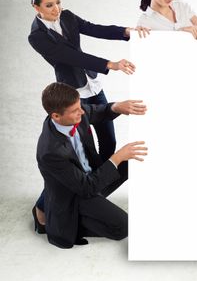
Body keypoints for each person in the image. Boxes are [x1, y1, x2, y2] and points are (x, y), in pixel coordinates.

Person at [28, 0, 150, 222]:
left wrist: (125, 32)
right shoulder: (37, 37)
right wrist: (109, 64)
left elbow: (95, 29)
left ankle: (92, 190)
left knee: (109, 144)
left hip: (93, 86)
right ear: (36, 7)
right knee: (76, 157)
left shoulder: (68, 16)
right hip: (73, 95)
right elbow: (69, 56)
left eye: (58, 2)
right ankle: (42, 208)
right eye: (49, 5)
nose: (57, 9)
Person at [33, 82, 148, 248]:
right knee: (123, 228)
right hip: (77, 193)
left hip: (90, 178)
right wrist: (116, 158)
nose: (82, 112)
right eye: (75, 111)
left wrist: (117, 107)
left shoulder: (73, 113)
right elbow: (86, 188)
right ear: (56, 116)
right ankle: (67, 222)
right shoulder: (50, 152)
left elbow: (94, 111)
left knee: (133, 161)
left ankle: (93, 206)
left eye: (80, 106)